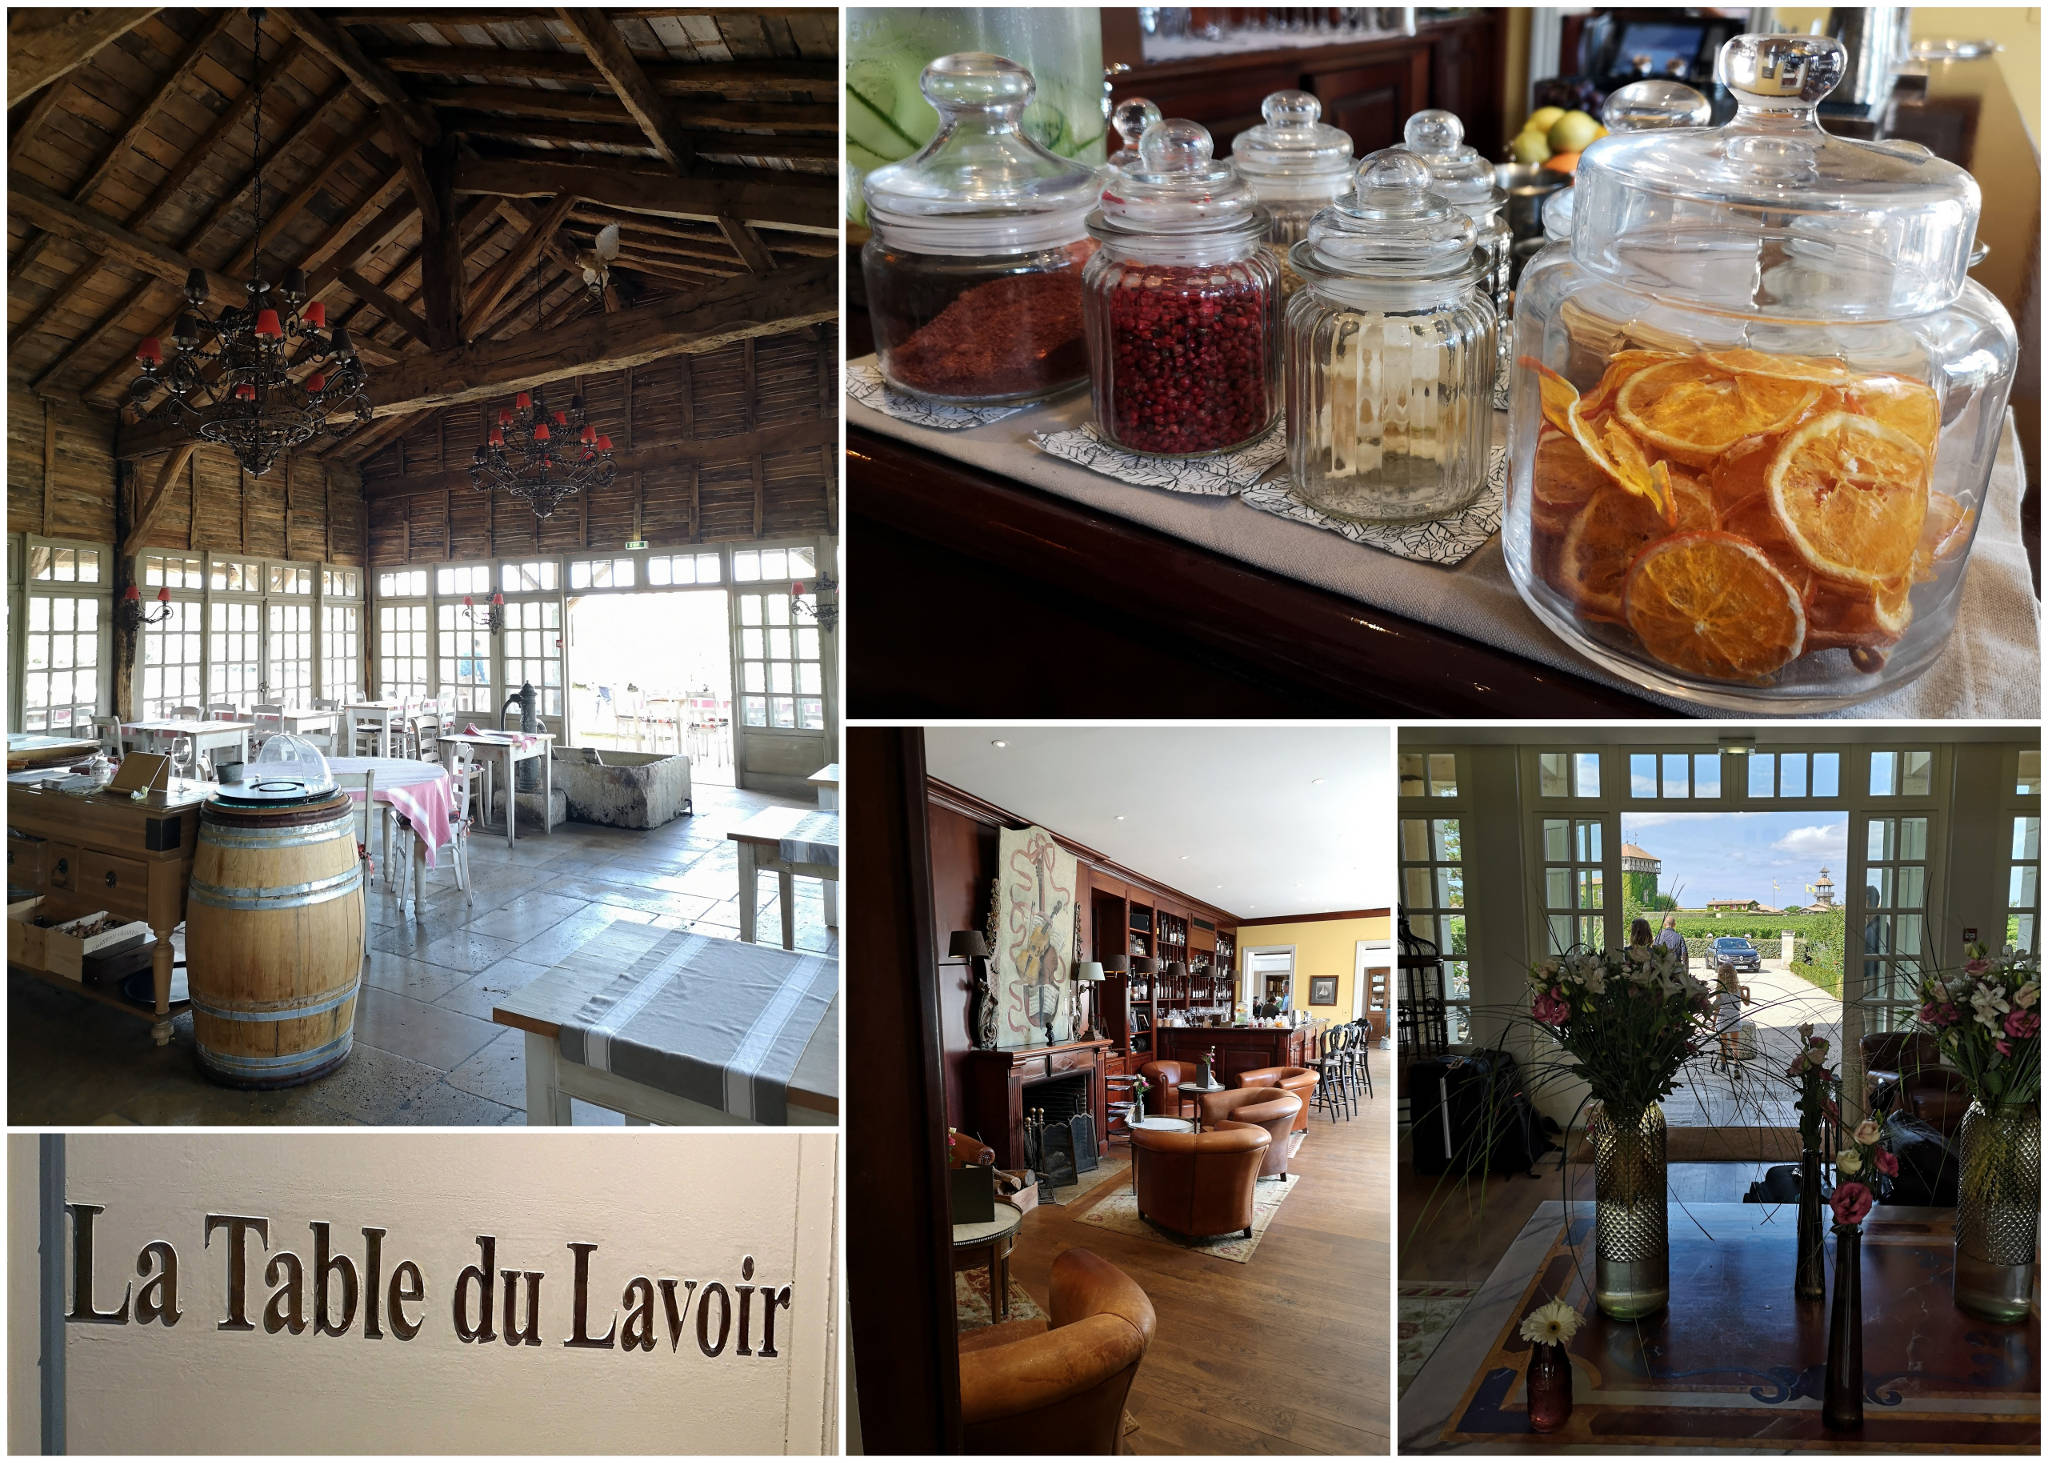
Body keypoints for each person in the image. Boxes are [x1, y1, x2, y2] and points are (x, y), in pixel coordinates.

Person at [1713, 962, 1745, 1072]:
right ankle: (1736, 1065)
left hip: (1723, 1019)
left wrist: (1713, 1023)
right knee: (1735, 1045)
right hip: (1735, 1019)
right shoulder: (1738, 989)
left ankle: (1723, 1065)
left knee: (1723, 1045)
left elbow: (1716, 1009)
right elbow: (1747, 1003)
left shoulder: (1720, 991)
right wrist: (1748, 990)